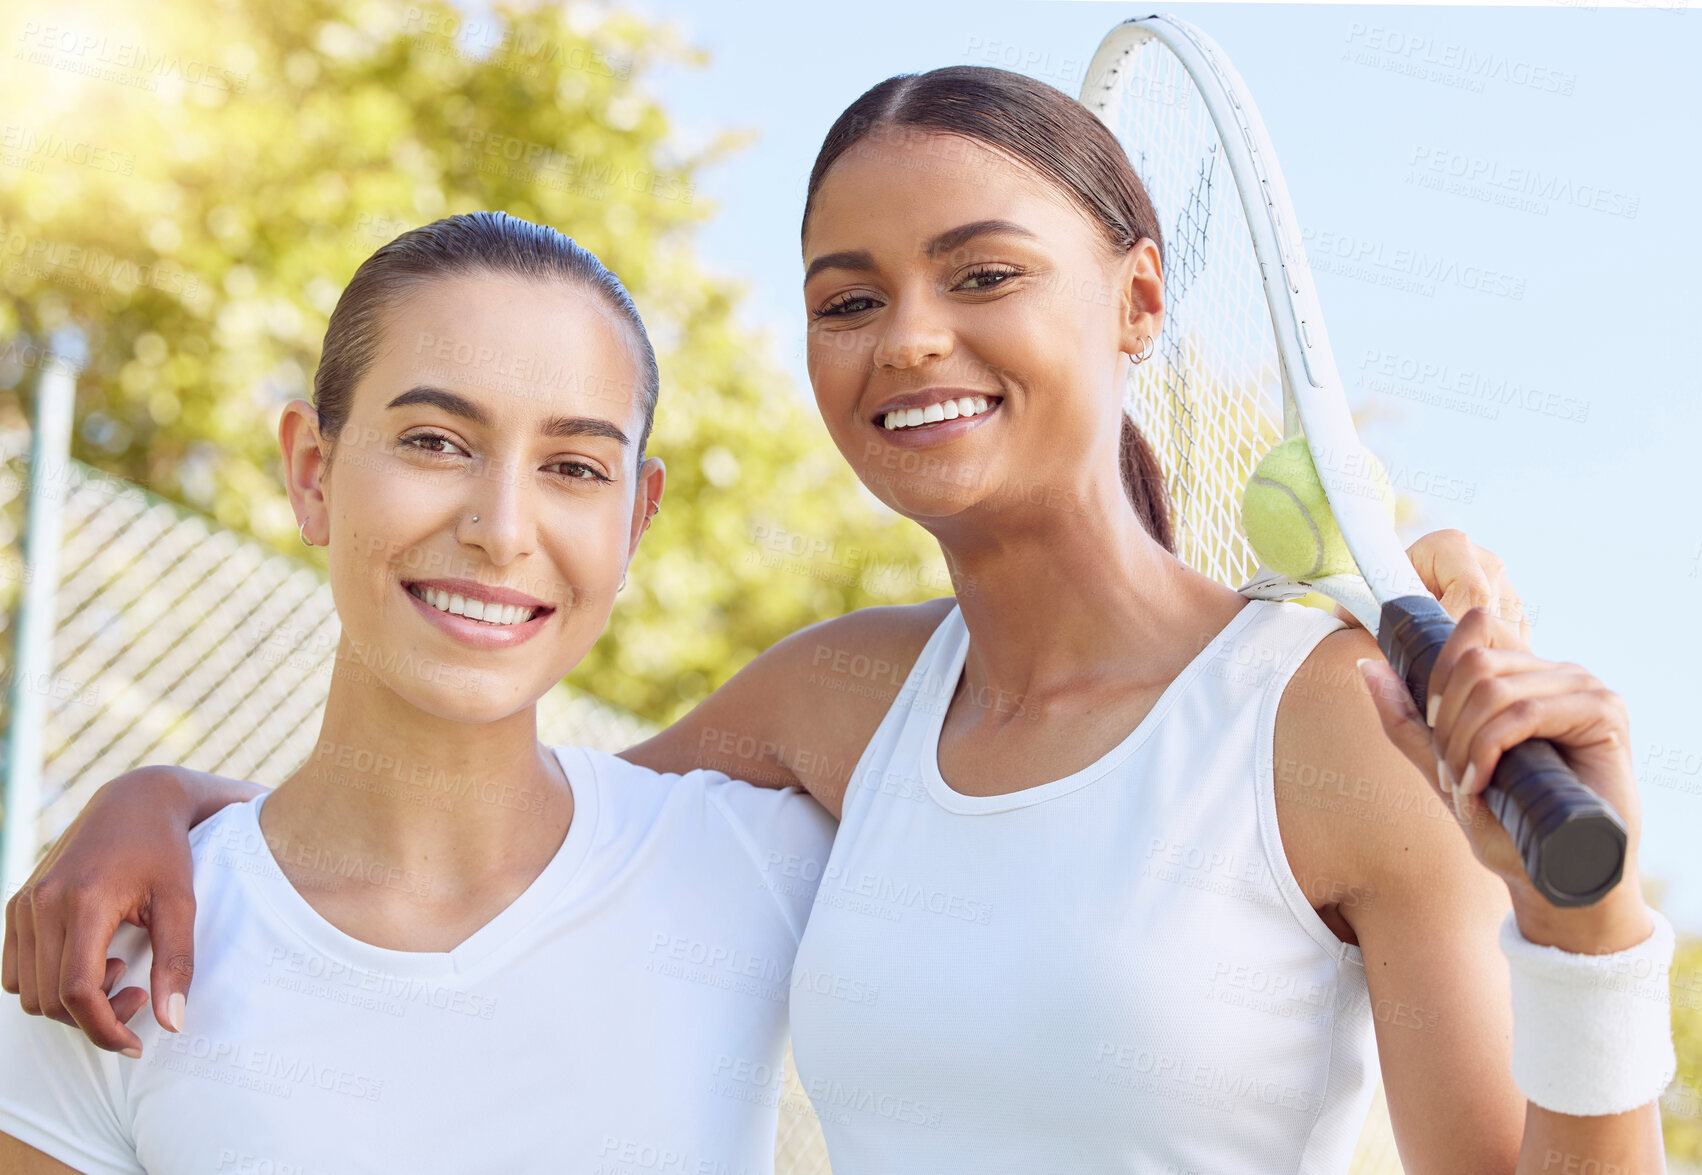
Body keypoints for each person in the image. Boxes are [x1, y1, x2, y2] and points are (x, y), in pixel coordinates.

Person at [8, 67, 1673, 1173]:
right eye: (848, 300)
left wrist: (1587, 938)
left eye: (981, 275)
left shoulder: (1321, 723)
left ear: (1139, 300)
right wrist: (150, 806)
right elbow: (474, 823)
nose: (910, 342)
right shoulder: (846, 706)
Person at [0, 212, 833, 1173]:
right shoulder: (114, 957)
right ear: (314, 473)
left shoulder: (757, 860)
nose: (503, 527)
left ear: (635, 521)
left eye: (574, 467)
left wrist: (160, 789)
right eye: (436, 442)